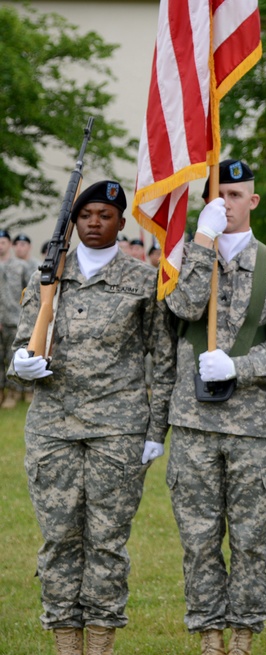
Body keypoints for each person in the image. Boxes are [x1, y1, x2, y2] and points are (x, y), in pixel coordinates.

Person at [8, 180, 176, 655]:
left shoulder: (144, 282)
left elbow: (162, 361)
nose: (95, 223)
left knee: (106, 541)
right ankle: (66, 642)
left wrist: (154, 429)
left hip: (117, 431)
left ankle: (101, 642)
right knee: (59, 538)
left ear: (122, 223)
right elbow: (23, 345)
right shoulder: (47, 277)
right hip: (52, 430)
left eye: (105, 215)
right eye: (86, 216)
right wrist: (21, 364)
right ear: (74, 223)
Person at [165, 159, 266, 655]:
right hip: (192, 424)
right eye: (217, 194)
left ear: (253, 200)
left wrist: (240, 367)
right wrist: (201, 245)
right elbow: (183, 308)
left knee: (250, 540)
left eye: (235, 194)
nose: (225, 203)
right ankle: (210, 634)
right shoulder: (184, 257)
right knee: (199, 538)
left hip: (252, 427)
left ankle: (244, 634)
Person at [0, 228, 34, 408]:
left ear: (9, 244)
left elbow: (29, 294)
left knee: (13, 357)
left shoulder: (20, 267)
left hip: (15, 320)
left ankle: (14, 393)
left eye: (3, 242)